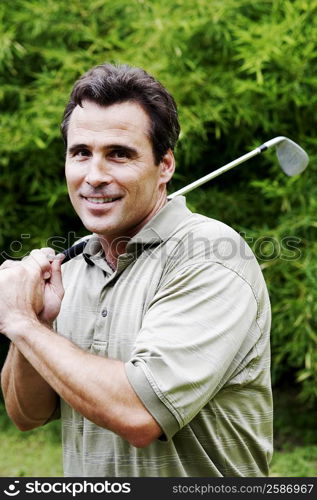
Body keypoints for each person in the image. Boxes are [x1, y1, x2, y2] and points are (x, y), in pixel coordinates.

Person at [0, 63, 273, 477]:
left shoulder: (211, 257)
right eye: (81, 154)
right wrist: (38, 319)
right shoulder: (70, 272)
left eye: (119, 154)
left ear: (164, 166)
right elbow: (27, 414)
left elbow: (141, 415)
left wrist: (20, 322)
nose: (94, 176)